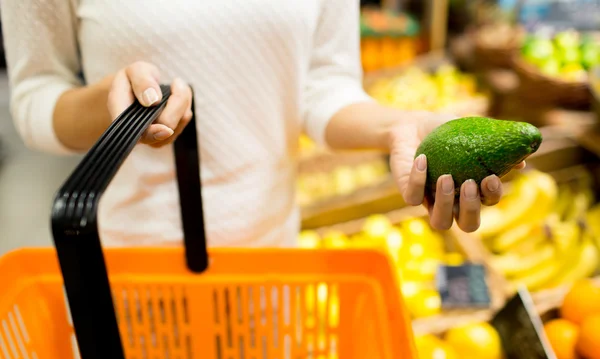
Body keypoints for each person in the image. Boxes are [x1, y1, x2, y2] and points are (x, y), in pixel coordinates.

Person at [1, 0, 522, 248]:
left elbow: (321, 86)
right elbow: (33, 96)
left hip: (272, 251)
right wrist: (114, 108)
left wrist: (400, 126)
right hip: (130, 261)